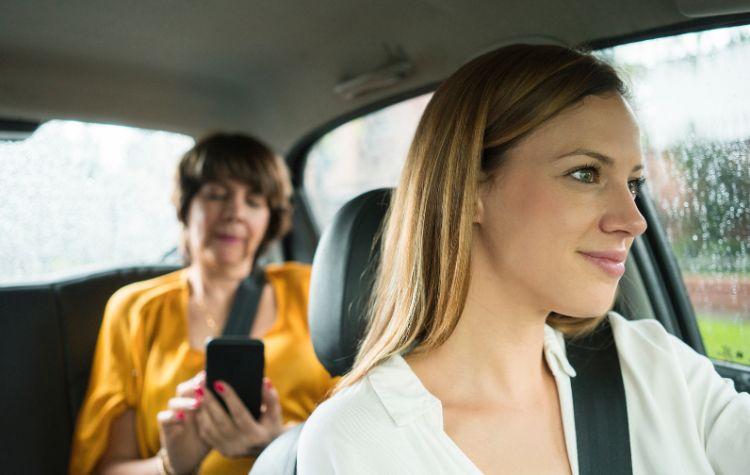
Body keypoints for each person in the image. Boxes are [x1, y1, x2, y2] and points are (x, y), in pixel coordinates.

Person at [297, 44, 750, 474]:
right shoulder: (357, 442)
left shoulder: (653, 367)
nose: (633, 220)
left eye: (633, 184)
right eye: (585, 173)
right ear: (470, 191)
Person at [70, 133, 336, 474]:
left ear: (270, 218)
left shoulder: (311, 288)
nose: (235, 212)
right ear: (185, 207)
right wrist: (171, 464)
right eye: (216, 195)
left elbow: (356, 433)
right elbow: (105, 469)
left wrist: (280, 440)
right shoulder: (135, 310)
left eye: (254, 201)